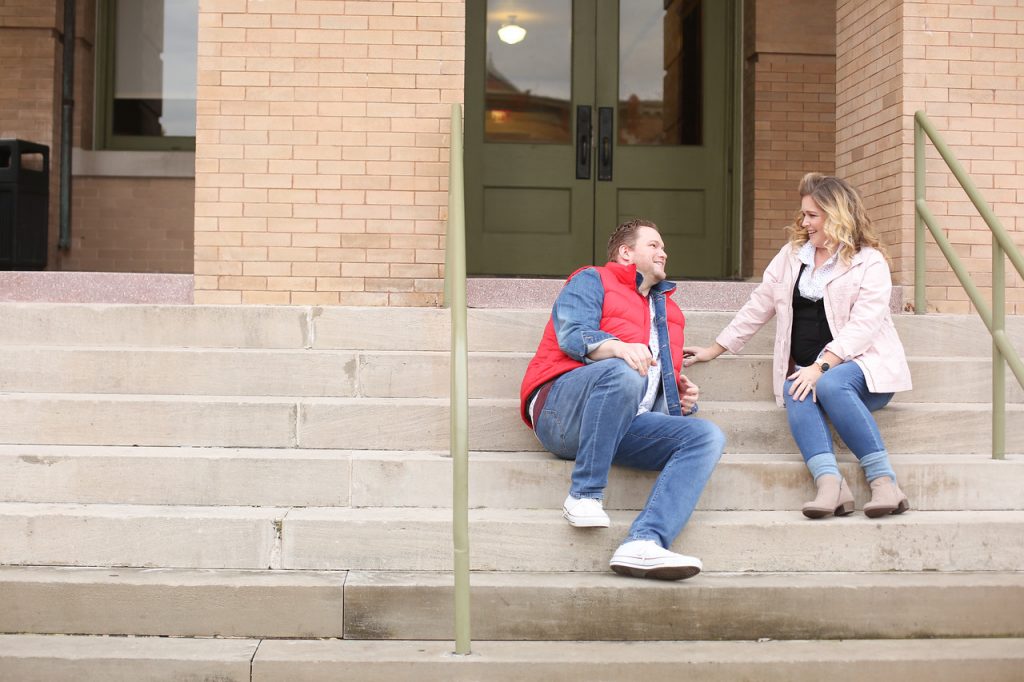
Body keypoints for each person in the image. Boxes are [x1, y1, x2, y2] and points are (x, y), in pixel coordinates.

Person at [683, 173, 912, 519]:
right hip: (812, 372)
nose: (804, 222)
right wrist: (717, 347)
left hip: (864, 371)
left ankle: (884, 482)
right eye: (804, 214)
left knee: (828, 382)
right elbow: (760, 303)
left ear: (836, 216)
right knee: (796, 387)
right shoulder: (792, 256)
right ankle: (830, 484)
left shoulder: (870, 262)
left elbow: (865, 325)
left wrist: (821, 366)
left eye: (812, 215)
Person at [519, 218, 725, 581]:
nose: (664, 252)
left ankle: (644, 542)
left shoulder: (670, 314)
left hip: (621, 422)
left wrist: (677, 396)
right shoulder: (592, 279)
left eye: (664, 247)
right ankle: (584, 494)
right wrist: (618, 348)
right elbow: (572, 334)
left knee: (706, 436)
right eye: (654, 245)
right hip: (562, 412)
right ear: (626, 253)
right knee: (624, 370)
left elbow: (655, 381)